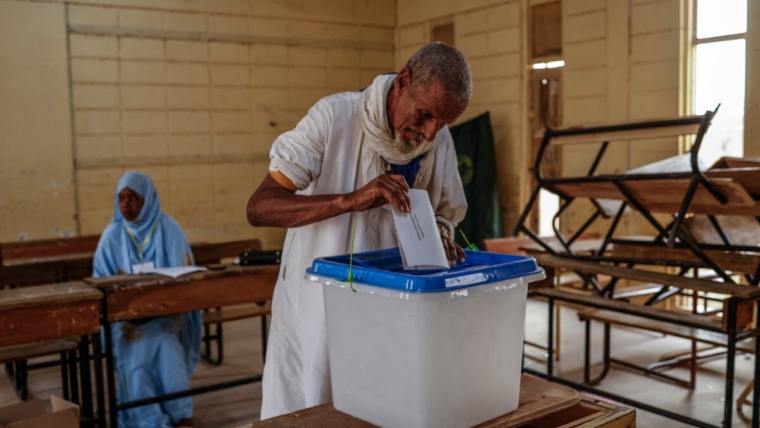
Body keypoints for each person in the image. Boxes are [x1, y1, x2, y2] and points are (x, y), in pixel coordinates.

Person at [246, 42, 472, 418]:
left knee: (385, 405)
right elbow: (259, 207)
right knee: (315, 401)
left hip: (393, 310)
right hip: (318, 307)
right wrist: (349, 200)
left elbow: (445, 213)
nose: (431, 133)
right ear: (402, 83)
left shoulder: (437, 143)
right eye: (425, 115)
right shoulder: (334, 118)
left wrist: (442, 236)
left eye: (443, 123)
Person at [93, 171, 201, 428]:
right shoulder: (112, 236)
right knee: (135, 354)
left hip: (164, 316)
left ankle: (181, 414)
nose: (126, 205)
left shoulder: (168, 228)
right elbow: (99, 281)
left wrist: (157, 302)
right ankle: (148, 419)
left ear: (147, 199)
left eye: (133, 198)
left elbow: (184, 275)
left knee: (167, 347)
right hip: (127, 320)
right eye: (121, 198)